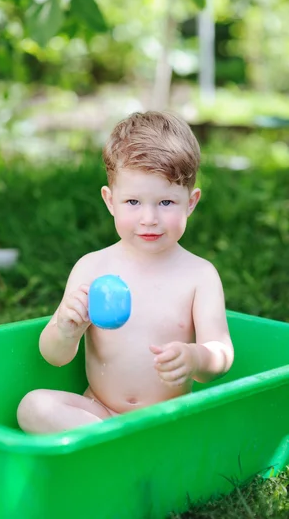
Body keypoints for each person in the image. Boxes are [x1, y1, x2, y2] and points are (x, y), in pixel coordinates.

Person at [17, 111, 234, 434]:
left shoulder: (199, 276)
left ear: (191, 202)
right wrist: (66, 329)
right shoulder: (91, 267)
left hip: (164, 420)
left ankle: (110, 455)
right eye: (133, 202)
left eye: (166, 203)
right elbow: (55, 356)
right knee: (33, 406)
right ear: (110, 201)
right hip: (99, 413)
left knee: (183, 430)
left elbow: (222, 353)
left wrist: (195, 358)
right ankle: (113, 448)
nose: (149, 218)